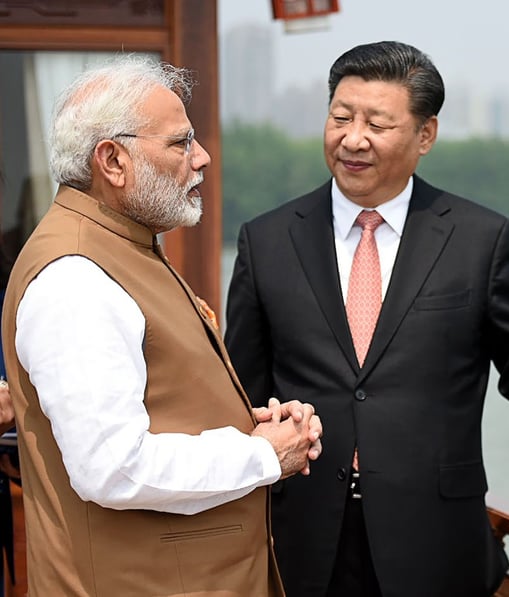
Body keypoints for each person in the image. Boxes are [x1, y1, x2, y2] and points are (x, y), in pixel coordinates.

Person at [224, 40, 509, 597]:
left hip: (437, 543)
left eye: (377, 123)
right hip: (299, 538)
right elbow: (239, 386)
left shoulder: (477, 239)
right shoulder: (268, 239)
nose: (353, 139)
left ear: (426, 135)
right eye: (340, 117)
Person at [0, 55, 323, 596]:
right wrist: (263, 454)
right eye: (180, 143)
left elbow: (156, 404)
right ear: (113, 161)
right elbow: (113, 467)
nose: (202, 158)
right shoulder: (75, 278)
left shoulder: (124, 244)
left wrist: (250, 423)